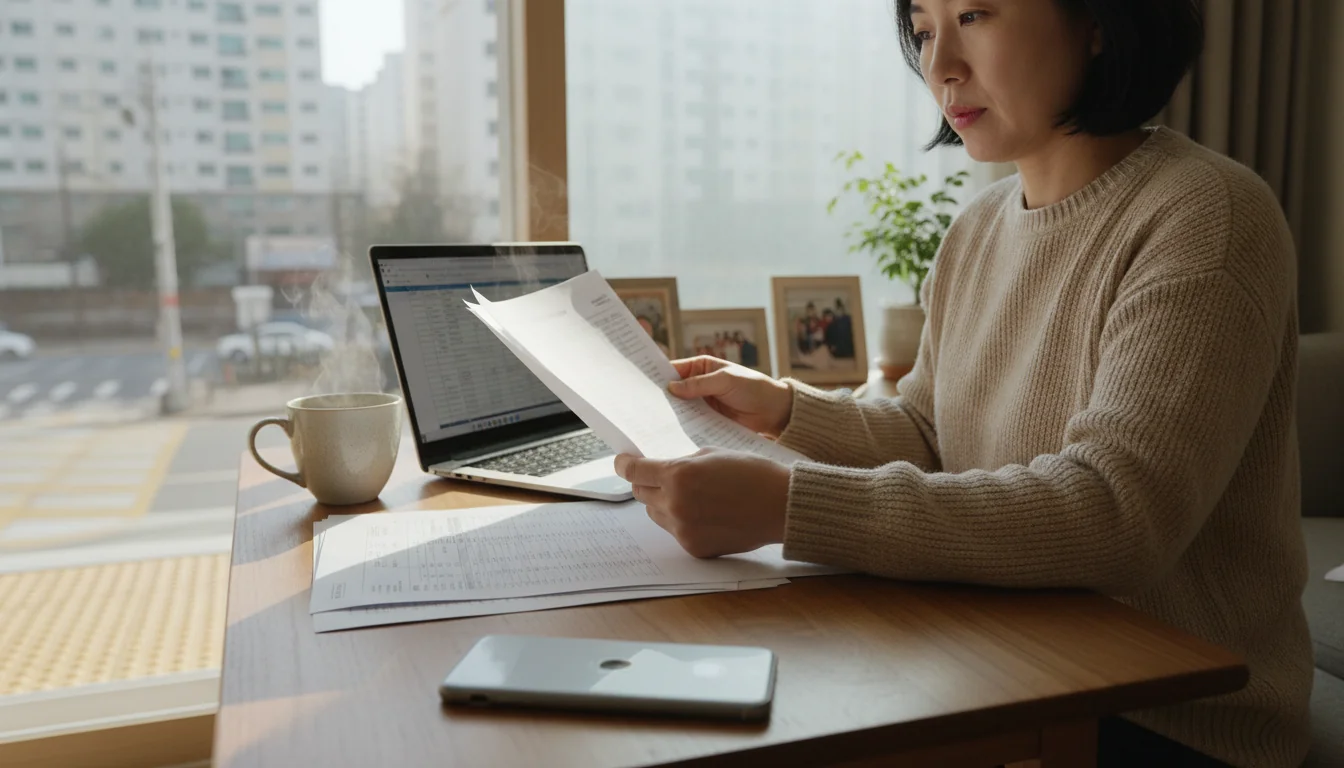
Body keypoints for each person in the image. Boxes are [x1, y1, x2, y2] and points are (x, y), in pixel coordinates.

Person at [612, 1, 1310, 766]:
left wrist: (789, 506)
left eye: (975, 13)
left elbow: (1117, 515)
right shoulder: (975, 231)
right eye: (922, 30)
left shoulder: (1207, 216)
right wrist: (782, 407)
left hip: (1171, 719)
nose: (939, 65)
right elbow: (930, 434)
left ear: (1099, 21)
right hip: (1007, 658)